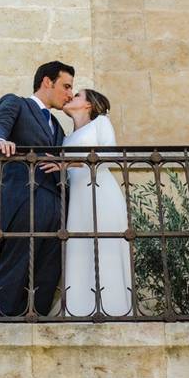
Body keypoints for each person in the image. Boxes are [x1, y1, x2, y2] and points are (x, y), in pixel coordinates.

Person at [0, 60, 74, 316]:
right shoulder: (17, 103)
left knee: (48, 273)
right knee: (15, 266)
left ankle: (32, 325)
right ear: (47, 81)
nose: (69, 94)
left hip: (56, 206)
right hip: (24, 200)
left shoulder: (57, 127)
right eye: (66, 86)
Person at [57, 89, 132, 317]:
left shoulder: (101, 123)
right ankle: (79, 310)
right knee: (79, 249)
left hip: (101, 194)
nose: (71, 97)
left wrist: (68, 164)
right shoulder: (66, 138)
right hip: (77, 200)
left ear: (89, 105)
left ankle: (114, 309)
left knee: (105, 247)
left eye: (77, 95)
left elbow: (110, 156)